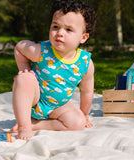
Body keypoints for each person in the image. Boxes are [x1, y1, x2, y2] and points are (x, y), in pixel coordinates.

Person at [12, 0, 96, 140]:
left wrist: (85, 114)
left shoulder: (85, 63)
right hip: (35, 99)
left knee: (77, 122)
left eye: (68, 30)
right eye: (56, 26)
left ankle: (36, 125)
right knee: (24, 79)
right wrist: (25, 69)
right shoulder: (41, 51)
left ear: (83, 37)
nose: (60, 33)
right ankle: (24, 126)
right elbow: (20, 47)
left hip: (58, 106)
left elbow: (87, 91)